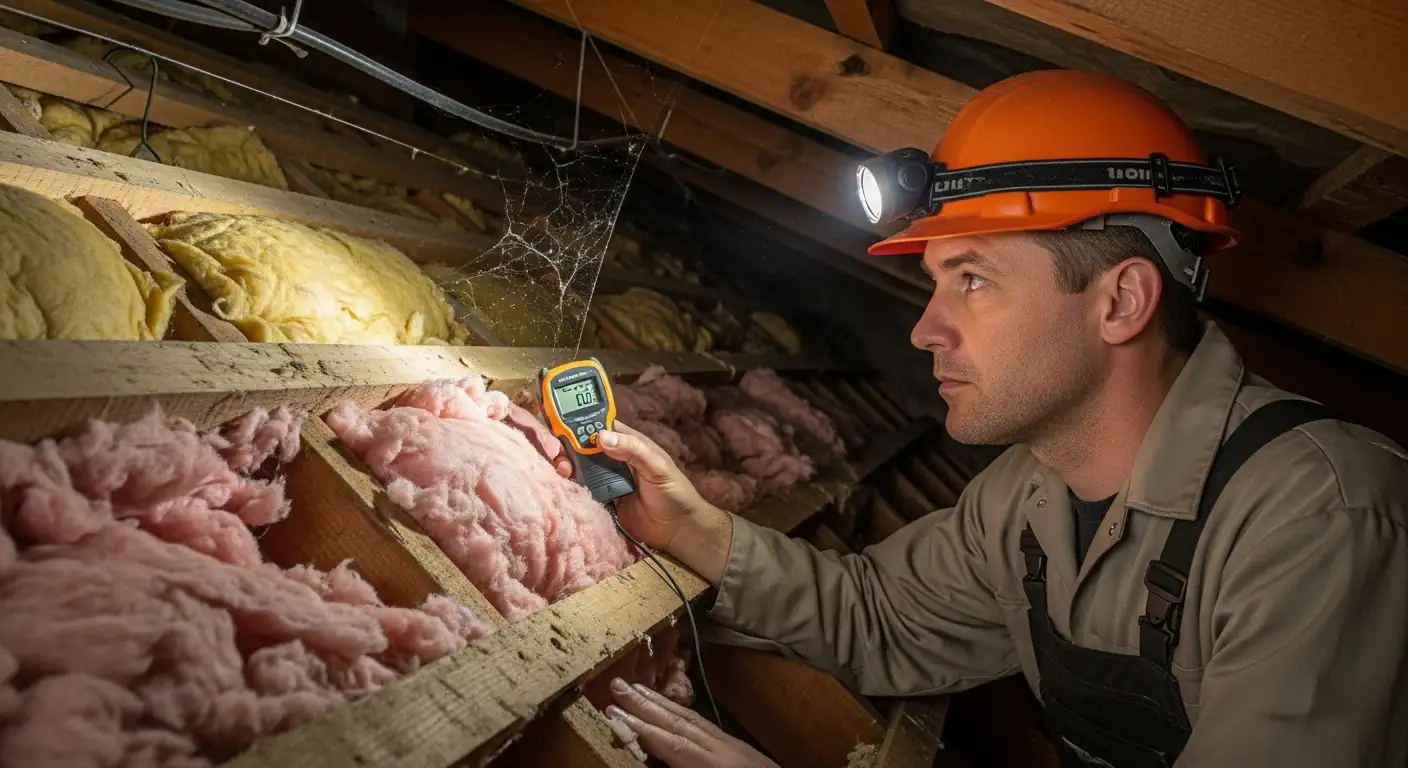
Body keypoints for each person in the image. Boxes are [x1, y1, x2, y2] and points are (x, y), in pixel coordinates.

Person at [592, 70, 1408, 768]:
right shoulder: (1027, 498)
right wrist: (693, 528)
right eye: (936, 282)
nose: (925, 328)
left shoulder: (1318, 517)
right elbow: (882, 618)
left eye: (973, 281)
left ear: (1121, 301)